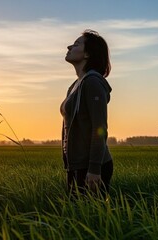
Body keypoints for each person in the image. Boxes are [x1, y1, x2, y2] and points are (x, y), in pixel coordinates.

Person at [60, 29, 113, 197]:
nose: (69, 46)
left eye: (76, 44)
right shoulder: (76, 85)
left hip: (91, 167)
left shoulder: (93, 82)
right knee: (77, 217)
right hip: (77, 165)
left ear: (88, 54)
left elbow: (100, 127)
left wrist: (94, 169)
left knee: (91, 219)